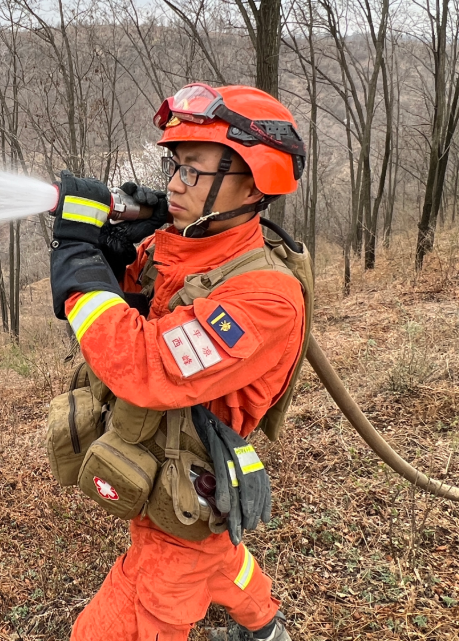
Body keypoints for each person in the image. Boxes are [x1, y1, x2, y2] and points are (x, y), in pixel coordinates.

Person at [48, 83, 308, 641]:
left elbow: (142, 364)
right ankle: (266, 630)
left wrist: (75, 258)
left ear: (251, 179)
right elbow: (139, 294)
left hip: (180, 506)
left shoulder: (265, 297)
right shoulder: (187, 245)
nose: (173, 184)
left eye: (193, 170)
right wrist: (111, 249)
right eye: (175, 166)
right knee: (220, 555)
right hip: (178, 473)